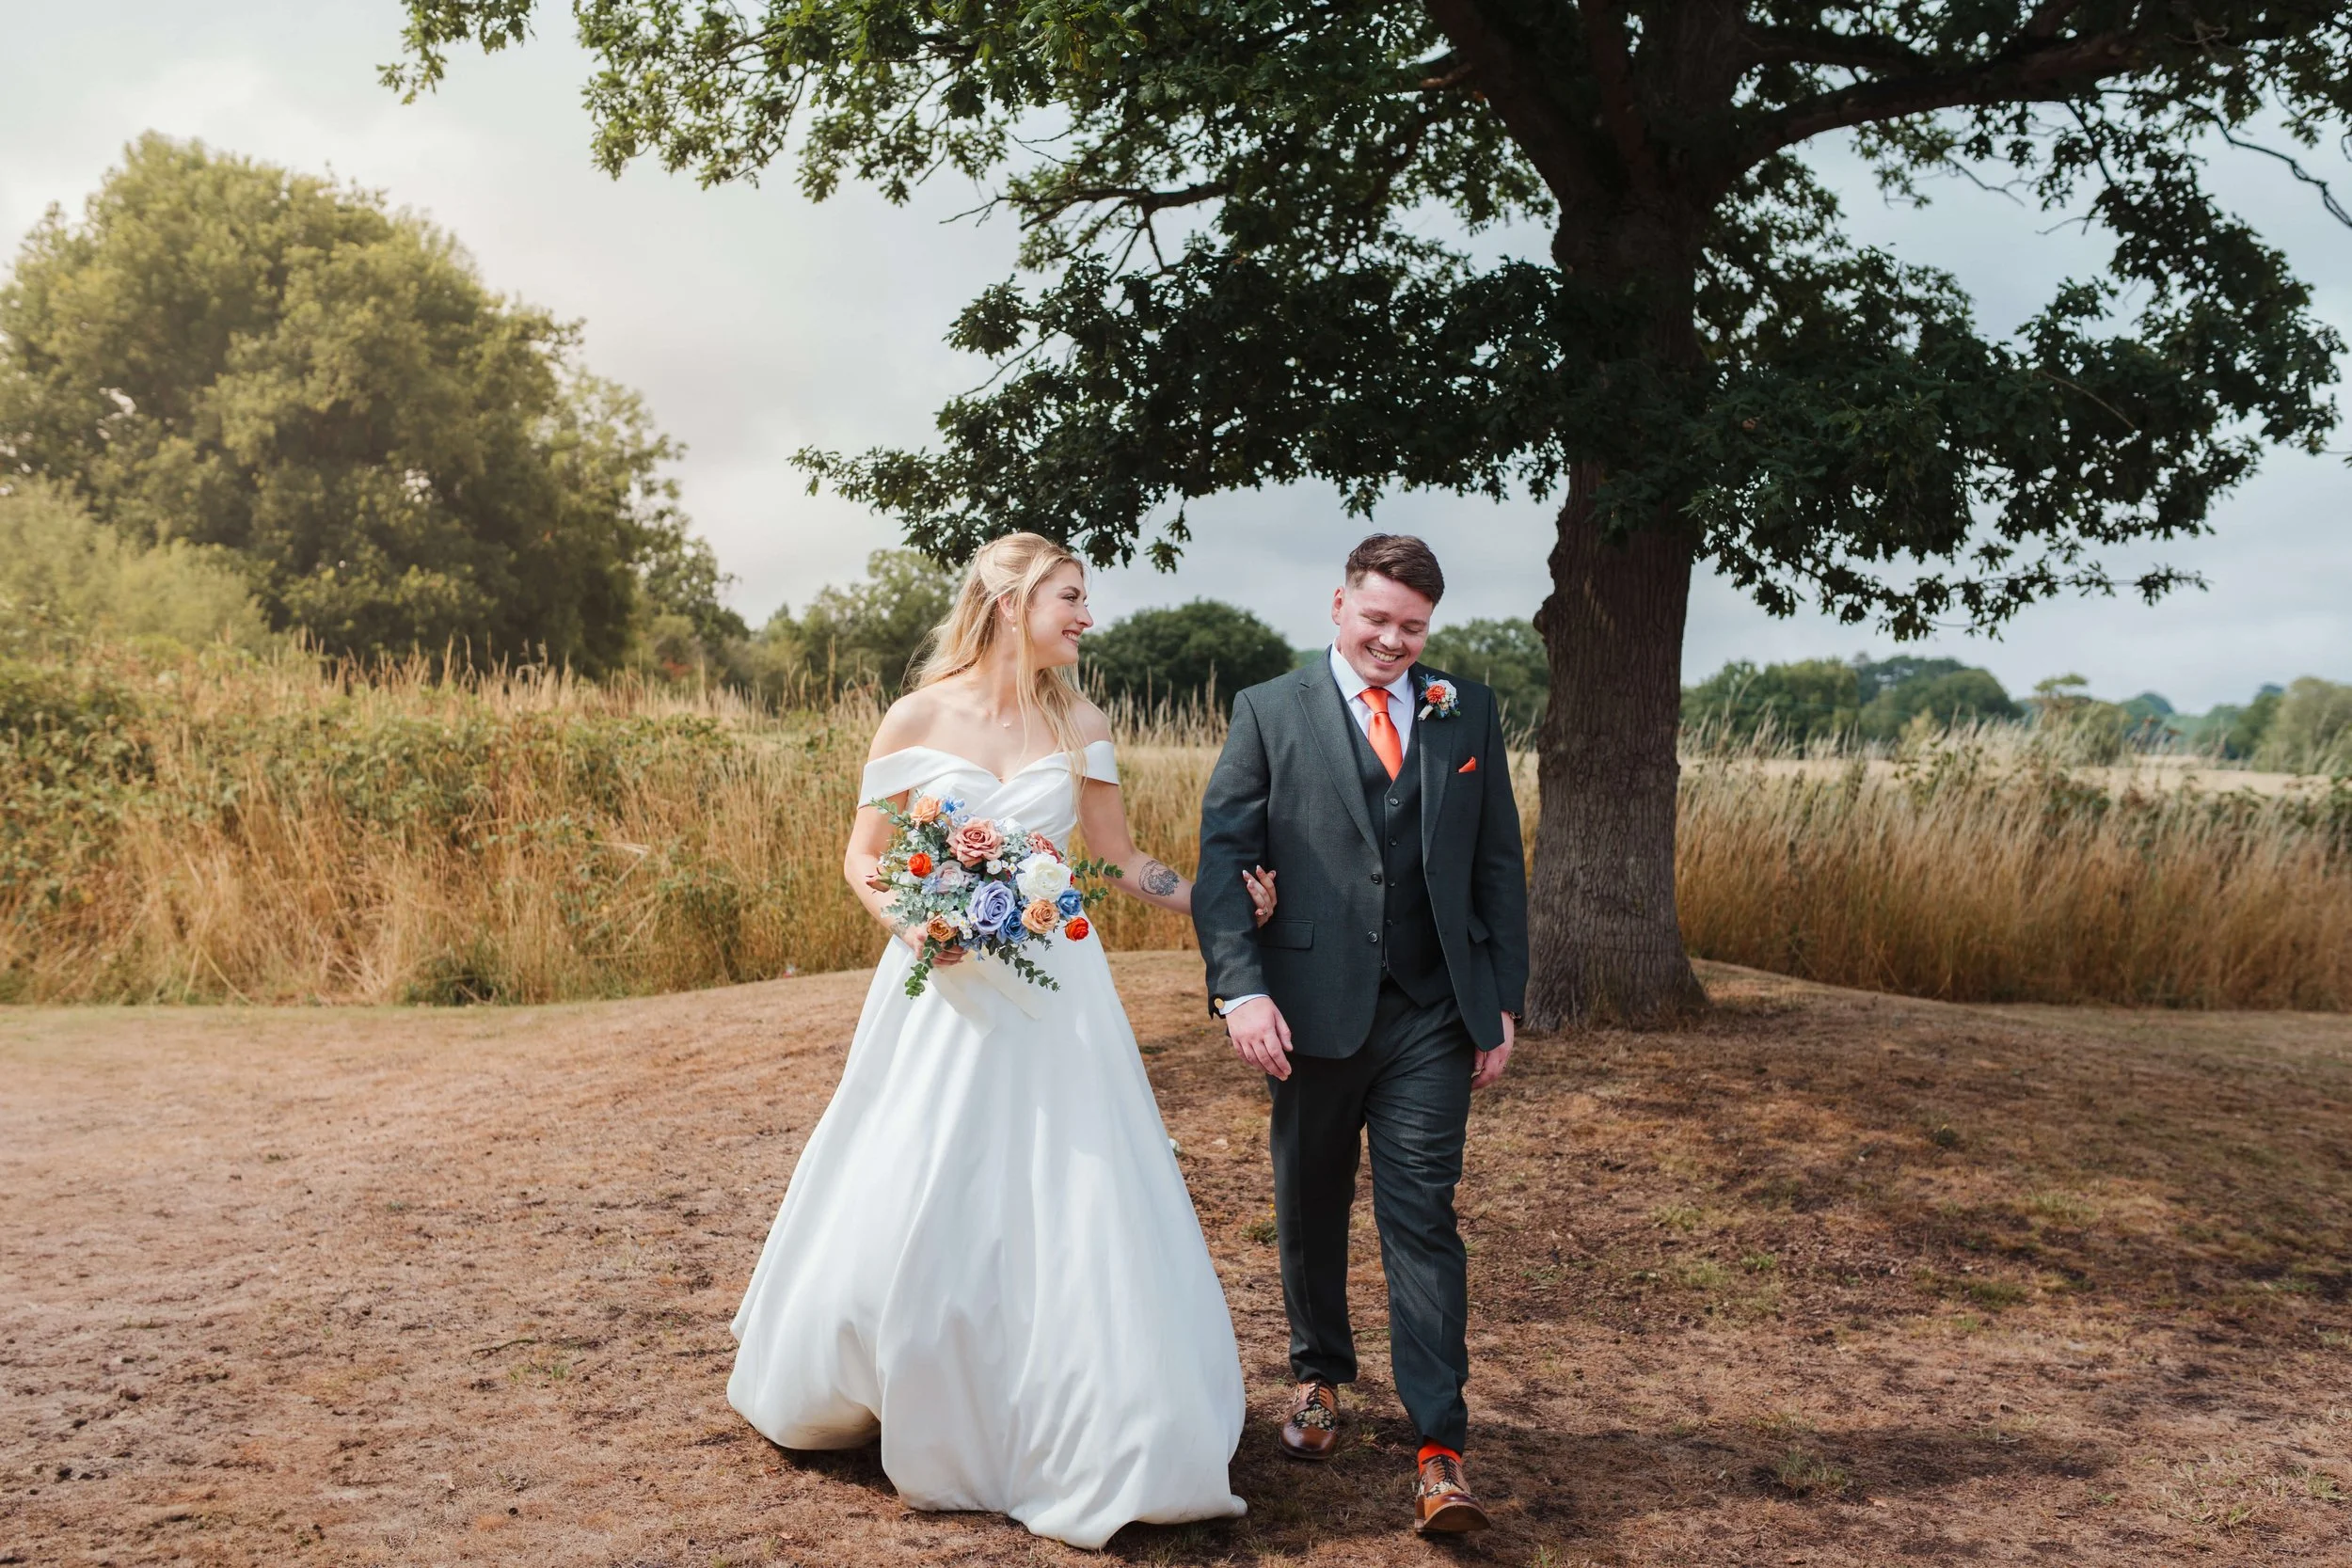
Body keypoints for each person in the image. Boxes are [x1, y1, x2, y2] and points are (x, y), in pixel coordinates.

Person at [726, 531, 1277, 1550]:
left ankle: (1081, 1409)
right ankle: (895, 1366)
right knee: (924, 1164)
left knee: (1072, 1181)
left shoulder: (1082, 720)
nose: (1086, 615)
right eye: (1069, 596)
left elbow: (1110, 862)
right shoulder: (917, 714)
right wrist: (922, 919)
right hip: (939, 983)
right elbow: (865, 857)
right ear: (1007, 600)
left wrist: (1214, 901)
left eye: (1084, 598)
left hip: (1057, 988)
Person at [1191, 532, 1530, 1537]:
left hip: (1432, 1011)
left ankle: (1439, 1447)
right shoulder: (1267, 710)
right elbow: (1223, 862)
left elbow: (1498, 862)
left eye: (1412, 627)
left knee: (1422, 1213)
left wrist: (1500, 996)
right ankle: (1318, 1376)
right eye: (1376, 618)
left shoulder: (1464, 707)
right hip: (1307, 1007)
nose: (1392, 641)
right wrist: (1239, 991)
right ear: (1337, 605)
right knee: (1310, 1197)